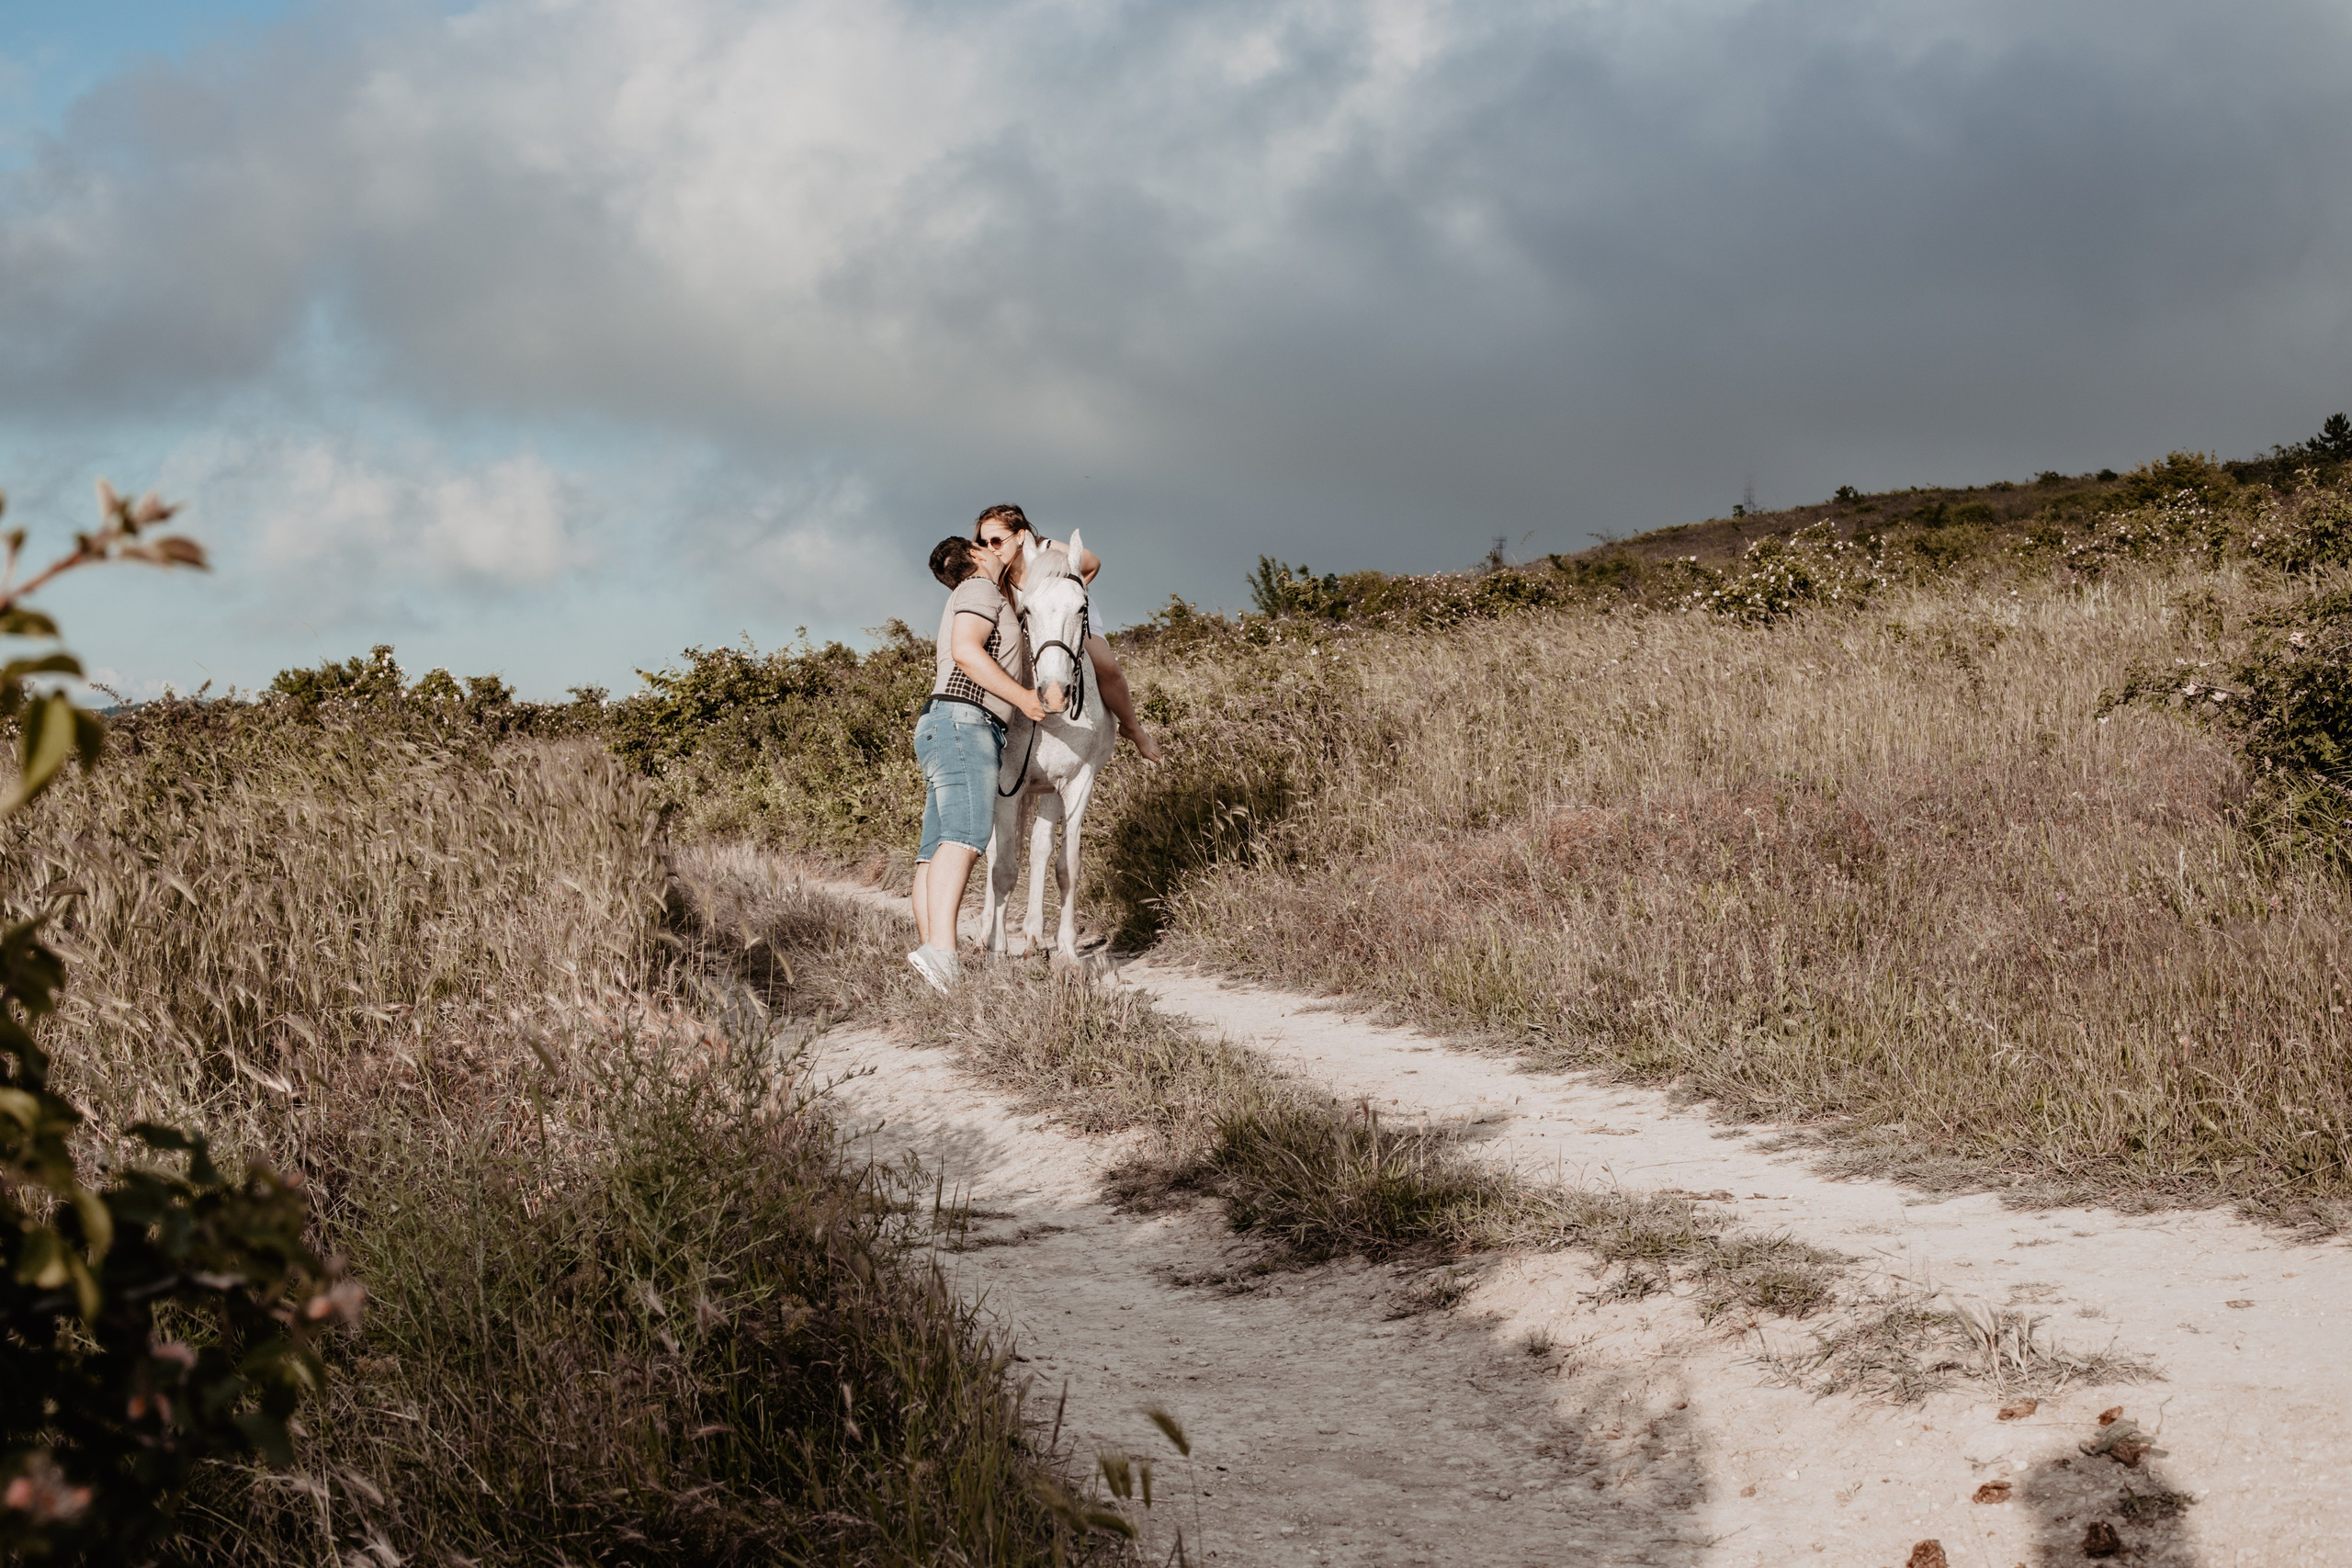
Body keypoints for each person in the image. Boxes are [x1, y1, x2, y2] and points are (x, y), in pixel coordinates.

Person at [908, 535, 1046, 993]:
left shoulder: (965, 596)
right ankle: (943, 954)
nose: (991, 547)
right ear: (971, 556)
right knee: (965, 838)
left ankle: (933, 956)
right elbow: (968, 652)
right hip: (964, 723)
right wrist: (1024, 697)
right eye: (982, 543)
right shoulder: (978, 590)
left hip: (943, 723)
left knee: (935, 849)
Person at [972, 503, 1163, 761]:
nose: (991, 548)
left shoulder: (1044, 551)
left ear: (1020, 536)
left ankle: (1132, 727)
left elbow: (1092, 563)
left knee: (1106, 666)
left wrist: (1068, 594)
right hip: (1034, 623)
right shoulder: (998, 575)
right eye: (984, 543)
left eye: (996, 541)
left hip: (1067, 613)